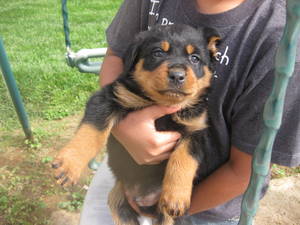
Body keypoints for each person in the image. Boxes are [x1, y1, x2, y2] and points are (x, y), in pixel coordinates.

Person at [79, 0, 300, 224]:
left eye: (194, 58)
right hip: (128, 164)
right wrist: (124, 128)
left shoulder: (281, 41)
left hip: (205, 202)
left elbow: (245, 170)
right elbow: (117, 56)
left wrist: (166, 209)